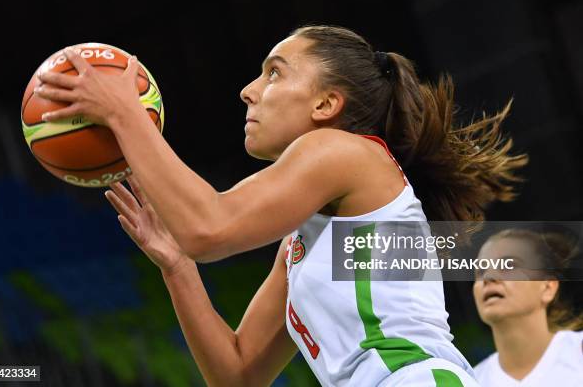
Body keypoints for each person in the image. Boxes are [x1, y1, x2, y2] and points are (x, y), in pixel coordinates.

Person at [35, 25, 527, 386]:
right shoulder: (304, 245)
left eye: (274, 73)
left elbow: (210, 225)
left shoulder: (343, 150)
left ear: (325, 106)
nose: (248, 91)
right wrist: (178, 267)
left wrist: (124, 112)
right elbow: (239, 373)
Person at [472, 229, 583, 387]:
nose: (488, 277)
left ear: (547, 288)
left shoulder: (578, 352)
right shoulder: (470, 380)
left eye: (509, 265)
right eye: (481, 271)